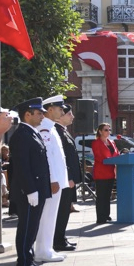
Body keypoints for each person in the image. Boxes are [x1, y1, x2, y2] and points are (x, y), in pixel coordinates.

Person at [10, 98, 53, 266]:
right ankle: (24, 265)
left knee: (32, 227)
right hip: (29, 191)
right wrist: (30, 190)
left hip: (36, 189)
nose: (42, 116)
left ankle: (29, 261)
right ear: (27, 115)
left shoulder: (31, 133)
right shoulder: (22, 135)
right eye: (39, 113)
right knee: (27, 228)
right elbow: (22, 166)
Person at [33, 96, 69, 263]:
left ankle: (47, 248)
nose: (62, 112)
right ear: (50, 109)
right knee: (46, 216)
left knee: (51, 216)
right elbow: (47, 157)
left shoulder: (51, 127)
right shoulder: (44, 129)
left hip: (56, 180)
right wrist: (53, 179)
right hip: (51, 181)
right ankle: (42, 251)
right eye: (59, 109)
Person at [49, 101, 80, 253]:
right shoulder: (57, 131)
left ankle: (61, 237)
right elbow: (62, 159)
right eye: (68, 114)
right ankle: (58, 241)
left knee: (65, 210)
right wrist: (68, 177)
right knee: (61, 210)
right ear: (60, 116)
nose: (72, 116)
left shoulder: (63, 131)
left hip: (67, 178)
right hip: (64, 179)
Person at [91, 122, 118, 224]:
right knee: (101, 196)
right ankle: (100, 217)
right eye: (106, 130)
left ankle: (106, 215)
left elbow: (117, 153)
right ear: (100, 131)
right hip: (101, 172)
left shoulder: (112, 142)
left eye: (109, 130)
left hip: (111, 172)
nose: (108, 132)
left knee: (107, 195)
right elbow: (98, 157)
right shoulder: (96, 143)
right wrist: (110, 159)